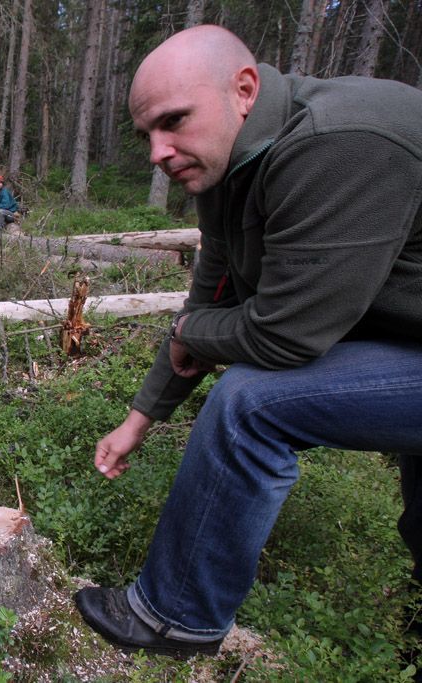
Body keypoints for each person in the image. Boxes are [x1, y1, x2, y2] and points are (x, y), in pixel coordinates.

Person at [73, 24, 422, 659]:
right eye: (148, 133)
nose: (158, 150)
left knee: (251, 402)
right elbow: (211, 297)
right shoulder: (234, 164)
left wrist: (191, 334)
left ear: (244, 88)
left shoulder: (338, 143)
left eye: (175, 120)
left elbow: (284, 335)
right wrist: (140, 418)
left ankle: (173, 617)